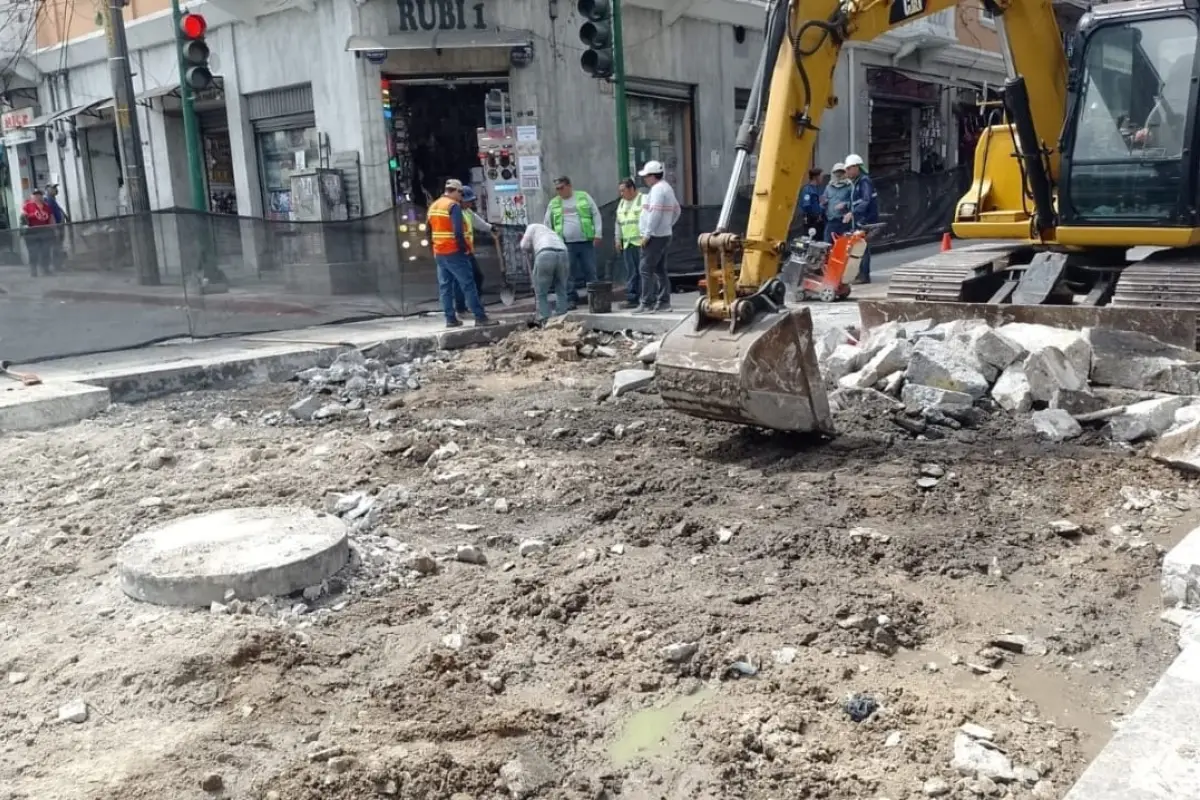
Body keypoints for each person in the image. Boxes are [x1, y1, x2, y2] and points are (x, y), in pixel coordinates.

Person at [426, 179, 496, 328]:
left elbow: (428, 230)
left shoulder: (434, 205)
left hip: (439, 253)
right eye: (461, 193)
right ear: (456, 191)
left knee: (445, 287)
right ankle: (480, 317)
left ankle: (450, 319)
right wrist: (463, 248)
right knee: (468, 285)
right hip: (454, 252)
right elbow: (458, 231)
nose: (462, 197)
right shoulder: (453, 206)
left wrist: (434, 248)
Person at [544, 176, 602, 309]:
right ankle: (571, 299)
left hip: (585, 242)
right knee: (568, 273)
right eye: (557, 189)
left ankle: (595, 297)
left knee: (590, 270)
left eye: (561, 188)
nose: (559, 191)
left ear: (569, 186)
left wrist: (598, 234)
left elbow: (595, 214)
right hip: (565, 244)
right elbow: (547, 223)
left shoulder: (583, 197)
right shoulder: (554, 203)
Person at [634, 160, 681, 314]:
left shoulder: (658, 190)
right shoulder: (666, 188)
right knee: (660, 270)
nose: (645, 179)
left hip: (655, 237)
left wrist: (648, 234)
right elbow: (677, 210)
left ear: (653, 176)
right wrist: (668, 226)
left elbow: (655, 213)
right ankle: (663, 302)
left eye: (646, 176)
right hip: (663, 235)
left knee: (645, 269)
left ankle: (647, 302)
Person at [519, 222, 570, 323]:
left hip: (545, 254)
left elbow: (523, 245)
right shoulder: (549, 231)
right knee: (561, 287)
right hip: (563, 253)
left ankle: (545, 318)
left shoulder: (530, 227)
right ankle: (562, 315)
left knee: (541, 291)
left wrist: (528, 247)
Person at [452, 186, 490, 315]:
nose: (470, 203)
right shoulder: (455, 211)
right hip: (459, 251)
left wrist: (491, 228)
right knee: (461, 281)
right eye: (468, 201)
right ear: (461, 200)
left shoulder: (467, 212)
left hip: (467, 250)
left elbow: (478, 223)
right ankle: (464, 308)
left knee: (477, 277)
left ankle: (473, 305)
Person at [844, 153, 878, 285]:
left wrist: (852, 213)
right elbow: (856, 202)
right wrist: (846, 206)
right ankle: (860, 274)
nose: (847, 172)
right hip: (860, 220)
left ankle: (864, 275)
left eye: (848, 169)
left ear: (856, 168)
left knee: (862, 248)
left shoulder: (864, 182)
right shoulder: (856, 183)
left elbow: (866, 201)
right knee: (858, 248)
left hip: (866, 221)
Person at [614, 178, 644, 309]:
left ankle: (646, 297)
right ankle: (633, 298)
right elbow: (618, 223)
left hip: (641, 242)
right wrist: (617, 239)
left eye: (623, 190)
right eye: (620, 191)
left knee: (644, 272)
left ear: (632, 189)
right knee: (631, 272)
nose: (621, 194)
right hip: (628, 243)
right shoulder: (621, 204)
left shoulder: (643, 200)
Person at [20, 189, 54, 277]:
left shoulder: (46, 206)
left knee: (45, 250)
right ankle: (33, 270)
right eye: (35, 195)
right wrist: (25, 220)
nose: (37, 196)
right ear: (32, 196)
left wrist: (53, 228)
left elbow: (50, 218)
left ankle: (45, 268)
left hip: (44, 230)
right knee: (33, 251)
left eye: (39, 195)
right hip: (32, 231)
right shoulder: (28, 205)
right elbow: (23, 217)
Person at [822, 163, 853, 244]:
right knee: (827, 245)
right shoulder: (828, 187)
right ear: (833, 173)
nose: (838, 174)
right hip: (831, 221)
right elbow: (823, 201)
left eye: (841, 171)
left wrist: (845, 204)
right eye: (836, 172)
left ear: (845, 173)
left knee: (843, 246)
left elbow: (855, 201)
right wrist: (823, 202)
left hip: (844, 222)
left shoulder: (850, 186)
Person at [44, 183, 68, 272]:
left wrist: (64, 216)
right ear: (47, 190)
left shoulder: (53, 200)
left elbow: (59, 211)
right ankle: (57, 265)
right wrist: (54, 228)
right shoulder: (48, 200)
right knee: (56, 246)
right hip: (56, 227)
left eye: (55, 188)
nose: (55, 190)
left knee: (59, 246)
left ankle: (59, 265)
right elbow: (50, 215)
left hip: (59, 226)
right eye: (52, 188)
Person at [800, 167, 825, 241]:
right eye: (821, 176)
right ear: (815, 177)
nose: (822, 178)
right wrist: (818, 211)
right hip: (811, 222)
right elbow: (806, 206)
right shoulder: (807, 190)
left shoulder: (818, 189)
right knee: (810, 241)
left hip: (818, 222)